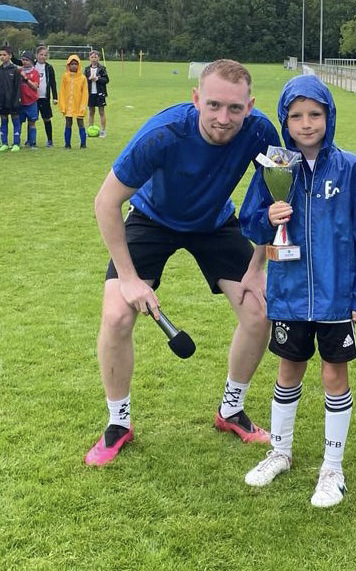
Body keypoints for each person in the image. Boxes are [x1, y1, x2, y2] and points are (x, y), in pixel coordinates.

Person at [85, 59, 281, 467]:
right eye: (213, 105)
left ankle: (231, 410)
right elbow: (105, 202)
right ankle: (118, 422)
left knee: (260, 310)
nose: (223, 118)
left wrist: (257, 267)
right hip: (152, 219)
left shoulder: (262, 131)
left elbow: (275, 199)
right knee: (117, 315)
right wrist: (129, 279)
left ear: (250, 106)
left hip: (214, 222)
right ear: (196, 99)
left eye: (235, 108)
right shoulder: (163, 133)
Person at [239, 74, 356, 507]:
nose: (306, 123)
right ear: (284, 120)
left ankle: (332, 468)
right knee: (288, 370)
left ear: (328, 116)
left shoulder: (351, 167)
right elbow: (249, 222)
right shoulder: (274, 164)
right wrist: (268, 217)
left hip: (337, 296)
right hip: (290, 293)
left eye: (314, 114)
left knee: (334, 375)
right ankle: (279, 451)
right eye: (296, 115)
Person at [58, 54, 89, 149]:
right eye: (72, 64)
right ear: (68, 65)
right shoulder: (65, 77)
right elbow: (62, 91)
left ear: (79, 65)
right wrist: (62, 105)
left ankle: (83, 144)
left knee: (80, 123)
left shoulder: (82, 78)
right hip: (68, 105)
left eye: (76, 64)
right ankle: (67, 144)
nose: (74, 66)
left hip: (78, 105)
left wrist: (83, 106)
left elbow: (85, 93)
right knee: (68, 123)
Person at [34, 45, 58, 147]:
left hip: (44, 97)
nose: (43, 57)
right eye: (41, 54)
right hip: (33, 98)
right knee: (32, 119)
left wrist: (55, 97)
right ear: (36, 55)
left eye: (45, 55)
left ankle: (50, 140)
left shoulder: (49, 67)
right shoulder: (32, 65)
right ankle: (30, 140)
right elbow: (18, 62)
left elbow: (53, 83)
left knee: (46, 118)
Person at [0, 45, 22, 153]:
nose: (2, 57)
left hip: (13, 101)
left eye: (4, 55)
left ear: (10, 56)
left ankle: (16, 143)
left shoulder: (15, 70)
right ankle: (4, 143)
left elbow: (18, 88)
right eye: (0, 55)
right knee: (3, 121)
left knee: (15, 122)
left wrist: (17, 101)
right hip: (2, 101)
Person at [84, 50, 109, 137]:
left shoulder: (102, 68)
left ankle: (103, 130)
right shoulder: (87, 69)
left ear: (99, 58)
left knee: (101, 111)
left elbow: (106, 80)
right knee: (91, 112)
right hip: (90, 94)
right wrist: (89, 79)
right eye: (92, 57)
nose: (94, 59)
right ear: (89, 58)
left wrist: (98, 79)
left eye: (95, 57)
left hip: (100, 93)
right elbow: (83, 81)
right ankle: (90, 129)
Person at [18, 51, 40, 148]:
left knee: (32, 122)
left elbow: (35, 87)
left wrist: (26, 78)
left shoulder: (35, 72)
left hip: (31, 101)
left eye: (27, 60)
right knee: (18, 122)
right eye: (23, 60)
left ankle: (32, 142)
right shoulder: (19, 71)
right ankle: (16, 142)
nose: (24, 62)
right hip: (20, 102)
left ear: (31, 61)